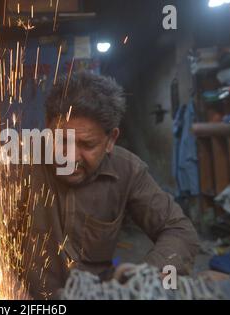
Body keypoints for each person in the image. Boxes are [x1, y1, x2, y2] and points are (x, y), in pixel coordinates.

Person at [20, 72, 200, 299]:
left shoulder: (128, 170)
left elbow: (180, 231)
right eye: (61, 140)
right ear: (48, 127)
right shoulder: (18, 160)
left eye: (87, 144)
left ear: (111, 140)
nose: (69, 157)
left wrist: (144, 279)